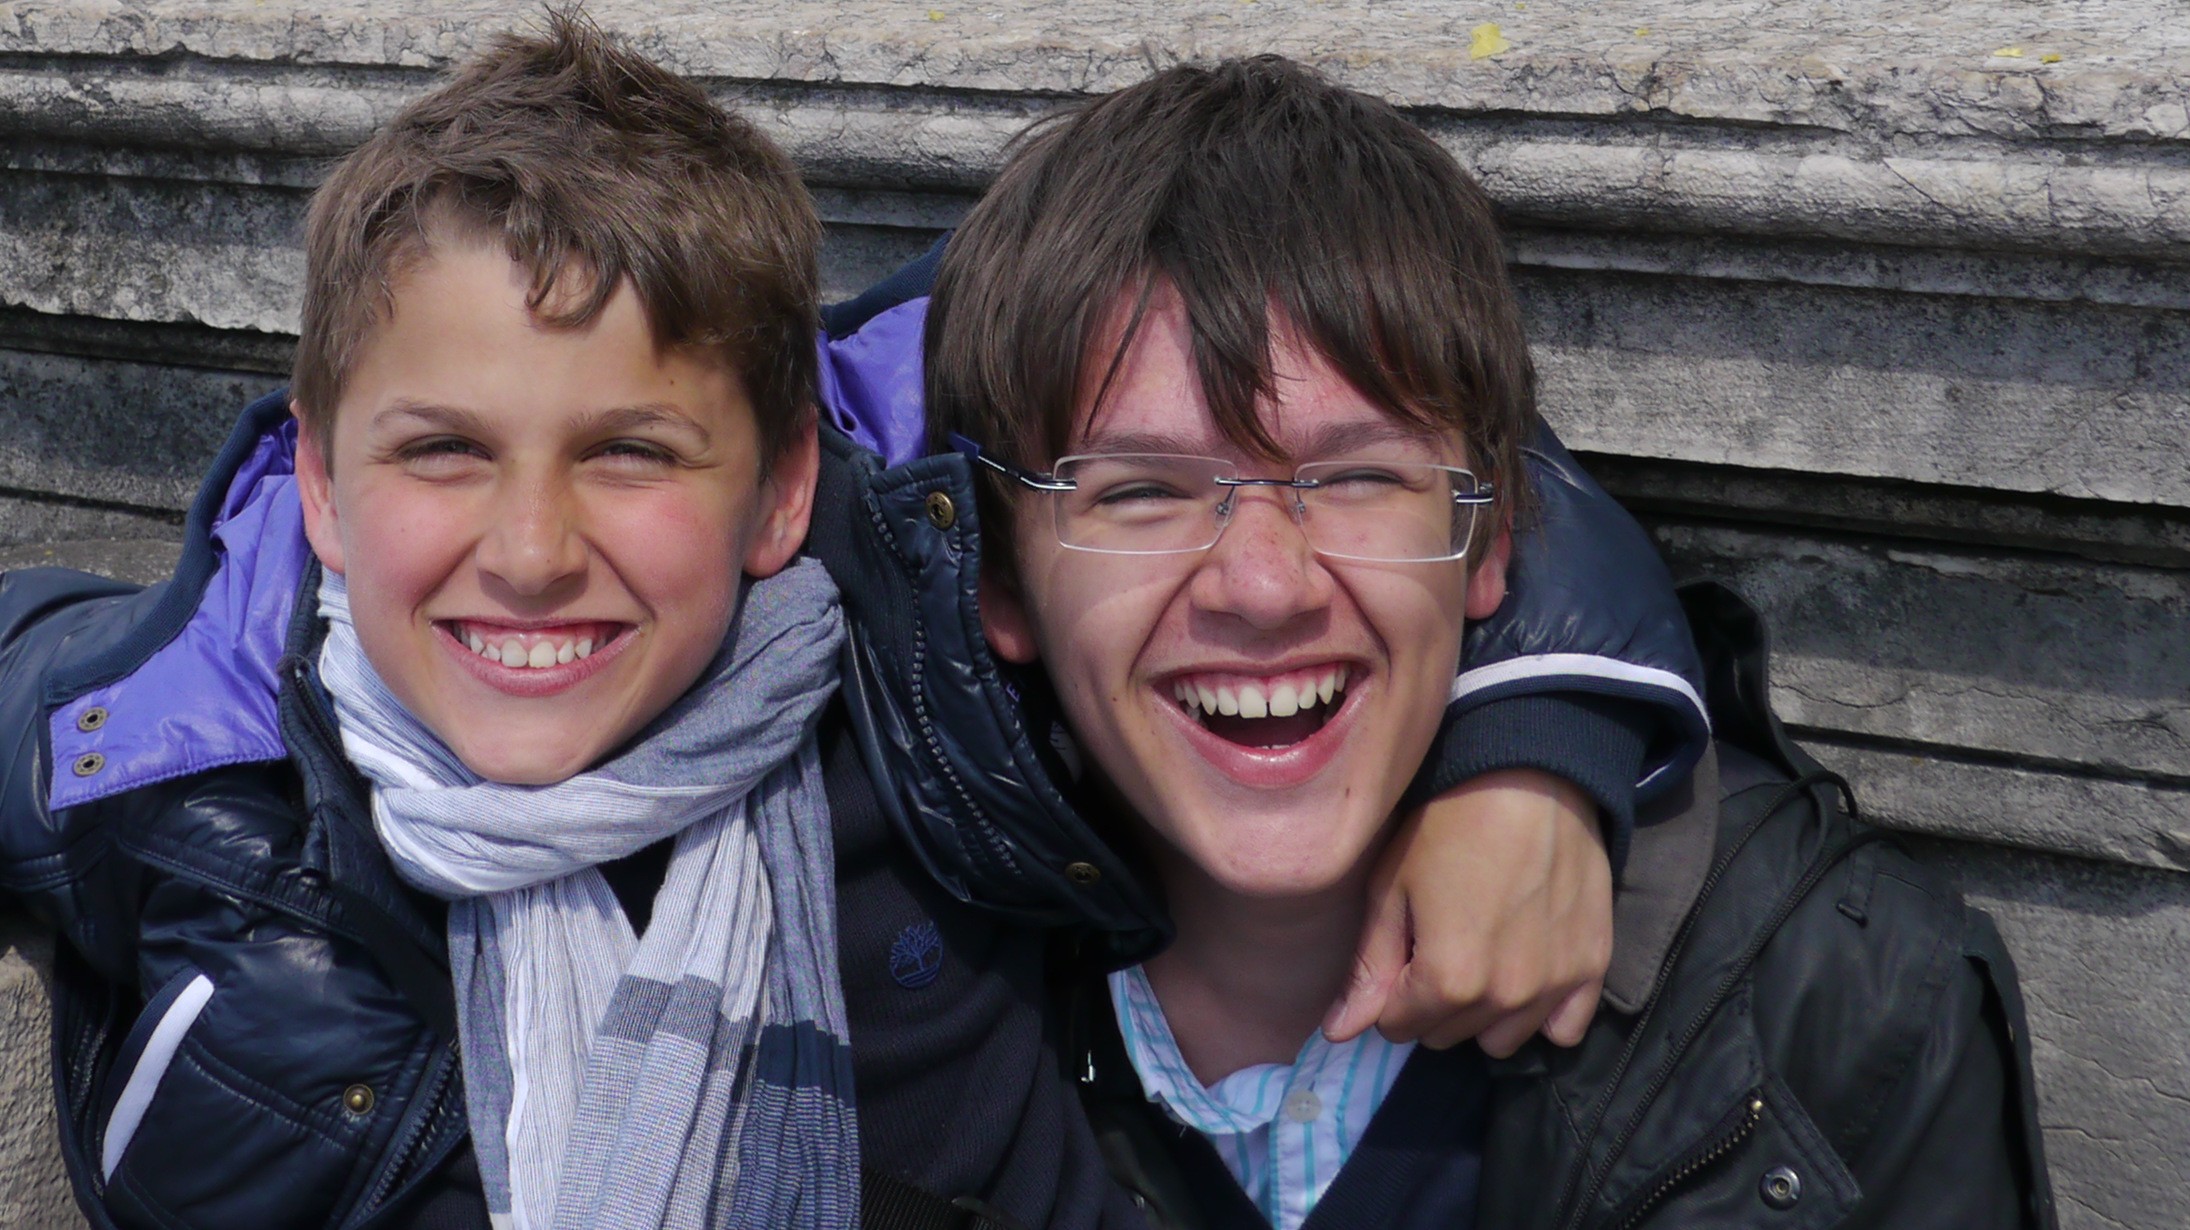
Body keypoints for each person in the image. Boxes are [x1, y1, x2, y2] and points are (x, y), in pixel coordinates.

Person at [0, 21, 1716, 1230]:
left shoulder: (887, 615)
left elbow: (1355, 416)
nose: (529, 552)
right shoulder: (181, 769)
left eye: (632, 453)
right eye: (443, 452)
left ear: (784, 487)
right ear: (314, 485)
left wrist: (1529, 745)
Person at [902, 56, 2058, 1230]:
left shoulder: (1846, 1007)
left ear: (1493, 534)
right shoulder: (875, 979)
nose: (1262, 586)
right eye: (1142, 492)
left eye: (1357, 478)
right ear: (999, 574)